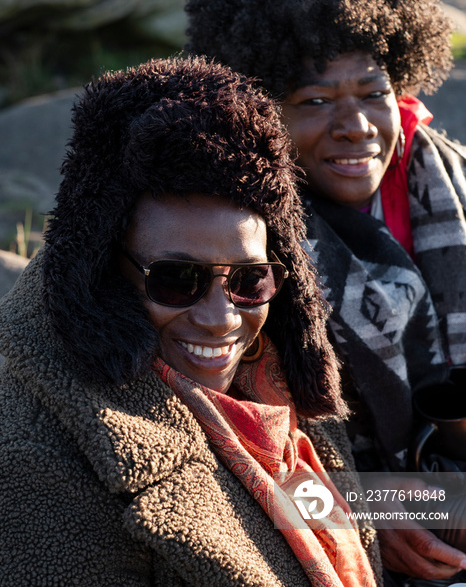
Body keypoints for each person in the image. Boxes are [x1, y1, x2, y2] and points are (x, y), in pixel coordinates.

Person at [0, 55, 382, 586]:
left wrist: (397, 516)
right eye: (178, 280)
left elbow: (340, 499)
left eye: (249, 280)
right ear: (106, 271)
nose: (219, 317)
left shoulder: (278, 372)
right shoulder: (34, 462)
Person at [183, 0, 466, 586]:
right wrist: (366, 517)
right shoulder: (229, 238)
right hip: (323, 518)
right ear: (260, 108)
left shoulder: (447, 182)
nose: (354, 127)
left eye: (372, 93)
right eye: (313, 100)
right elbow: (233, 450)